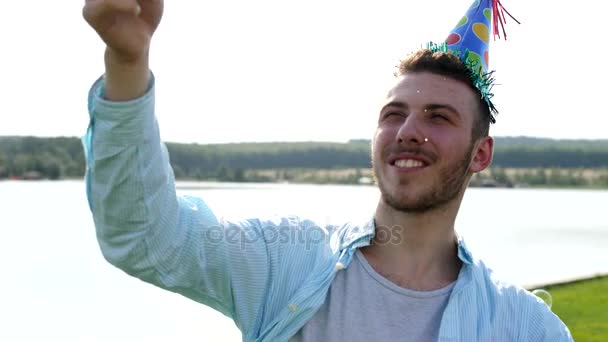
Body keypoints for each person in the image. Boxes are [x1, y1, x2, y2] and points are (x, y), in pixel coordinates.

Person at [82, 0, 573, 341]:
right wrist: (127, 63)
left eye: (438, 117)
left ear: (481, 154)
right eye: (393, 114)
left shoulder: (525, 329)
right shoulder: (290, 264)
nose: (407, 130)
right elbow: (147, 238)